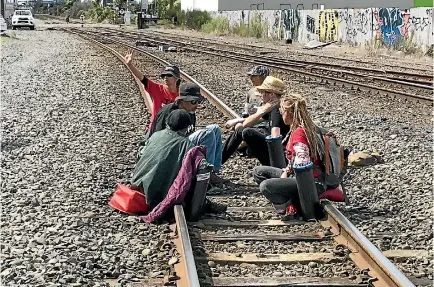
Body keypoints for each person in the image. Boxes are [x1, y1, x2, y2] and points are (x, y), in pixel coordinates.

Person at [130, 109, 226, 221]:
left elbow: (141, 154)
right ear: (187, 127)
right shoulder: (187, 145)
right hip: (156, 195)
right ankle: (203, 204)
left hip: (137, 185)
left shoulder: (156, 135)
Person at [251, 93, 325, 219]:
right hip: (307, 177)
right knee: (258, 172)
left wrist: (284, 179)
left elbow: (302, 162)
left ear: (289, 113)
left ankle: (294, 208)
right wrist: (286, 171)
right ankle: (291, 202)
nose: (280, 113)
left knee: (266, 186)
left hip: (309, 184)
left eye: (281, 110)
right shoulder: (304, 128)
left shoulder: (299, 134)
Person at [140, 82, 226, 184]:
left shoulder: (189, 110)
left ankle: (213, 170)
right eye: (193, 101)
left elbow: (190, 131)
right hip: (171, 149)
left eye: (198, 101)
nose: (196, 105)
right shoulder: (167, 112)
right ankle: (207, 176)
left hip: (183, 144)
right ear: (182, 100)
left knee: (215, 128)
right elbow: (157, 139)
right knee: (207, 134)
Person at [222, 76, 290, 166]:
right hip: (276, 152)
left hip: (279, 157)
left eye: (262, 92)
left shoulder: (276, 110)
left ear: (271, 95)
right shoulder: (272, 107)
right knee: (241, 130)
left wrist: (278, 166)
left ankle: (217, 161)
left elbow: (275, 137)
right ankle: (218, 159)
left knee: (247, 132)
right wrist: (262, 111)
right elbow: (247, 123)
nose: (260, 95)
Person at [123, 51, 180, 127]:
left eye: (169, 75)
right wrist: (130, 65)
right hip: (156, 128)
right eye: (164, 75)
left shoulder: (182, 94)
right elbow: (142, 78)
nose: (165, 78)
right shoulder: (158, 89)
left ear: (176, 79)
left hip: (173, 129)